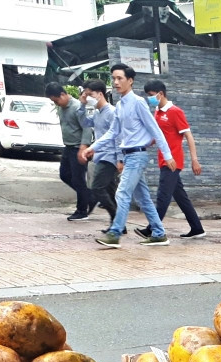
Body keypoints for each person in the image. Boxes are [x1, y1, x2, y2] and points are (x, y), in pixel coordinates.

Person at [81, 63, 176, 248]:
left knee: (122, 193)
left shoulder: (138, 102)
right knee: (143, 198)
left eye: (120, 78)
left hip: (137, 156)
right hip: (129, 155)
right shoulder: (120, 106)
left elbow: (155, 130)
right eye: (114, 79)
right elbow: (112, 133)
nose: (116, 82)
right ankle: (159, 233)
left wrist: (168, 155)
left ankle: (115, 233)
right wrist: (93, 147)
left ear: (130, 81)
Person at [136, 79, 205, 240]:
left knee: (163, 196)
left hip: (173, 161)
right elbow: (157, 136)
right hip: (163, 160)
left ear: (161, 94)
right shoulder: (157, 112)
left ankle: (152, 229)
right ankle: (197, 228)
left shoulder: (175, 111)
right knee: (180, 197)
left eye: (152, 95)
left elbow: (188, 135)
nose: (150, 99)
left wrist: (194, 159)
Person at [45, 82, 93, 222]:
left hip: (79, 147)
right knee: (65, 175)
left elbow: (87, 128)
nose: (56, 103)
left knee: (78, 180)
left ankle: (82, 210)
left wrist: (84, 148)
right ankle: (89, 196)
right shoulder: (62, 107)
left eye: (56, 100)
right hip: (68, 147)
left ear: (63, 94)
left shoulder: (77, 107)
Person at [79, 81, 119, 231]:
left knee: (97, 188)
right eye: (86, 94)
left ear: (100, 94)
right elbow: (83, 122)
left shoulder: (112, 112)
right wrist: (82, 105)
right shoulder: (97, 113)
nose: (88, 97)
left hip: (110, 156)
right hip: (100, 155)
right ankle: (118, 224)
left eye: (90, 94)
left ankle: (117, 222)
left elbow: (117, 136)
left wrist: (120, 158)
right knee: (110, 191)